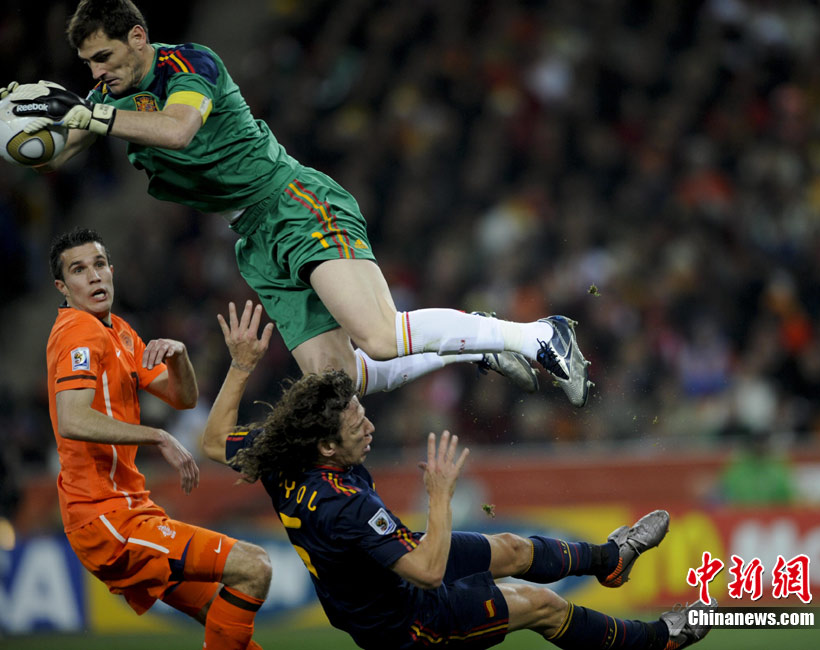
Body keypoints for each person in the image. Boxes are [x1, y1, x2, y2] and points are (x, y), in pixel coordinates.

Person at [2, 0, 592, 406]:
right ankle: (477, 341)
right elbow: (53, 153)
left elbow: (178, 129)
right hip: (254, 240)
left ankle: (539, 337)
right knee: (342, 381)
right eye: (88, 65)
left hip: (292, 202)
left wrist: (89, 115)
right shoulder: (107, 97)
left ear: (138, 38)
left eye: (104, 58)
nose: (97, 73)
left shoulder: (190, 64)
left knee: (380, 337)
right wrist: (20, 118)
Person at [200, 300, 716, 650]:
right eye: (357, 426)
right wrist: (440, 496)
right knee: (542, 605)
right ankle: (658, 640)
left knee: (512, 548)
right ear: (328, 446)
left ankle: (610, 559)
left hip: (384, 582)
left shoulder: (283, 453)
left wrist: (242, 365)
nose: (370, 426)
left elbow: (212, 441)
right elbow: (427, 571)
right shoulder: (346, 506)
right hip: (409, 623)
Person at [46, 227, 272, 650]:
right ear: (62, 287)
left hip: (130, 510)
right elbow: (71, 418)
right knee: (254, 567)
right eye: (78, 270)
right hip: (104, 517)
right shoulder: (78, 331)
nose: (93, 276)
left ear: (112, 270)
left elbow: (183, 398)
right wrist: (158, 436)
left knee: (224, 622)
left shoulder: (118, 331)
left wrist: (180, 356)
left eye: (99, 264)